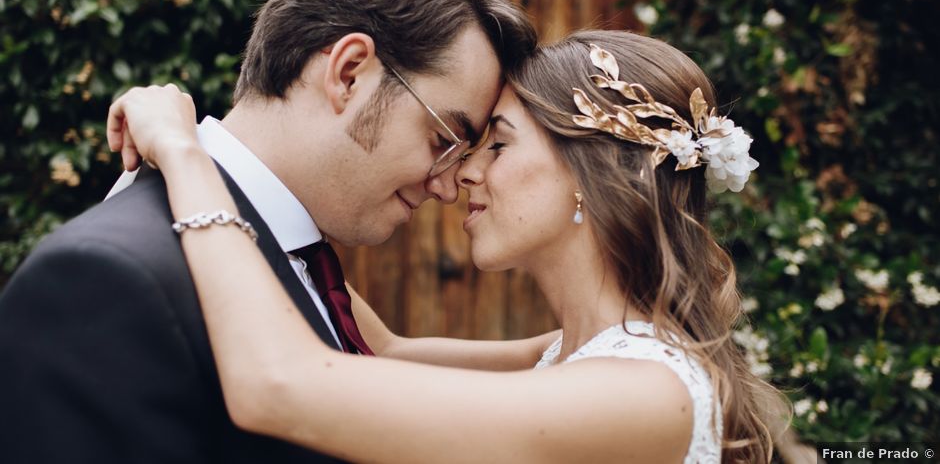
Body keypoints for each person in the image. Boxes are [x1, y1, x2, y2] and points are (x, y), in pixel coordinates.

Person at [106, 30, 786, 463]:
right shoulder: (570, 354)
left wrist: (184, 152)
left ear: (594, 174)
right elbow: (383, 348)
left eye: (498, 143)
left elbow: (278, 386)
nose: (463, 173)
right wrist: (249, 167)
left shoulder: (645, 392)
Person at [0, 0, 539, 463]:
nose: (448, 187)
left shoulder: (301, 264)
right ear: (348, 74)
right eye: (443, 139)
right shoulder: (105, 279)